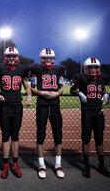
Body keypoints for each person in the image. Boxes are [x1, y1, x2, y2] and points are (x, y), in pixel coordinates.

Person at [0, 46, 33, 179]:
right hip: (5, 106)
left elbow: (26, 85)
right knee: (5, 136)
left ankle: (15, 163)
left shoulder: (22, 70)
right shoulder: (0, 69)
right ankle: (5, 165)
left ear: (17, 57)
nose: (11, 58)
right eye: (9, 56)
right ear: (5, 57)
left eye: (13, 56)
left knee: (15, 136)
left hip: (17, 106)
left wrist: (30, 96)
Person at [70, 57, 110, 178]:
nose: (93, 70)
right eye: (90, 67)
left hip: (98, 113)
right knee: (86, 140)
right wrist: (78, 93)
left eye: (95, 67)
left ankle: (102, 165)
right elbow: (73, 89)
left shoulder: (103, 78)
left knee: (99, 140)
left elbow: (102, 89)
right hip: (87, 113)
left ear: (99, 68)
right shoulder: (82, 78)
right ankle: (86, 166)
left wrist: (106, 93)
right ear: (86, 69)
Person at [30, 48, 65, 179]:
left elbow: (61, 89)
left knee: (58, 136)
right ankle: (41, 165)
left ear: (53, 59)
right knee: (40, 136)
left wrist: (56, 93)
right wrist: (42, 93)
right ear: (41, 59)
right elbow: (32, 88)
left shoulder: (59, 70)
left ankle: (58, 164)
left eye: (50, 58)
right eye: (45, 58)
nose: (48, 60)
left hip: (55, 105)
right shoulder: (36, 70)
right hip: (42, 105)